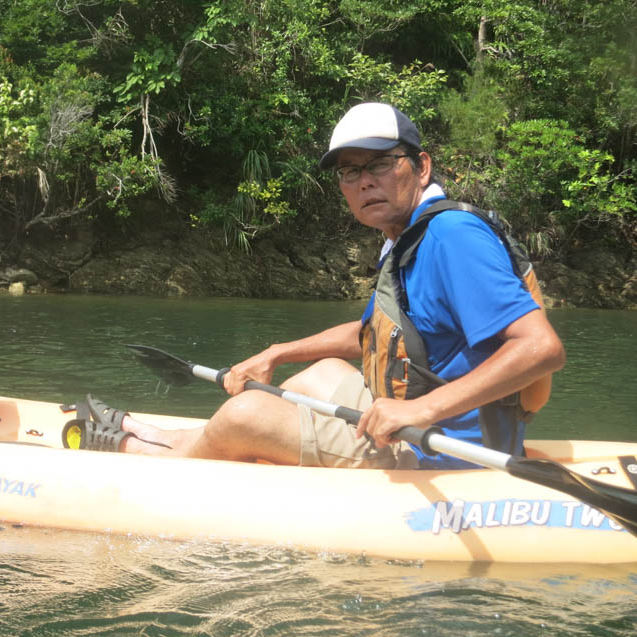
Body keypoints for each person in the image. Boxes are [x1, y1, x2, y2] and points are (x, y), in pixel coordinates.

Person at [67, 102, 566, 469]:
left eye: (379, 164)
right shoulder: (409, 236)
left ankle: (140, 452)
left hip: (441, 449)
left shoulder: (451, 237)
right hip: (415, 420)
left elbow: (541, 348)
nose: (364, 182)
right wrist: (277, 352)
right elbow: (375, 334)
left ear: (421, 166)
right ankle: (168, 437)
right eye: (350, 172)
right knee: (321, 372)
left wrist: (420, 409)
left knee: (246, 415)